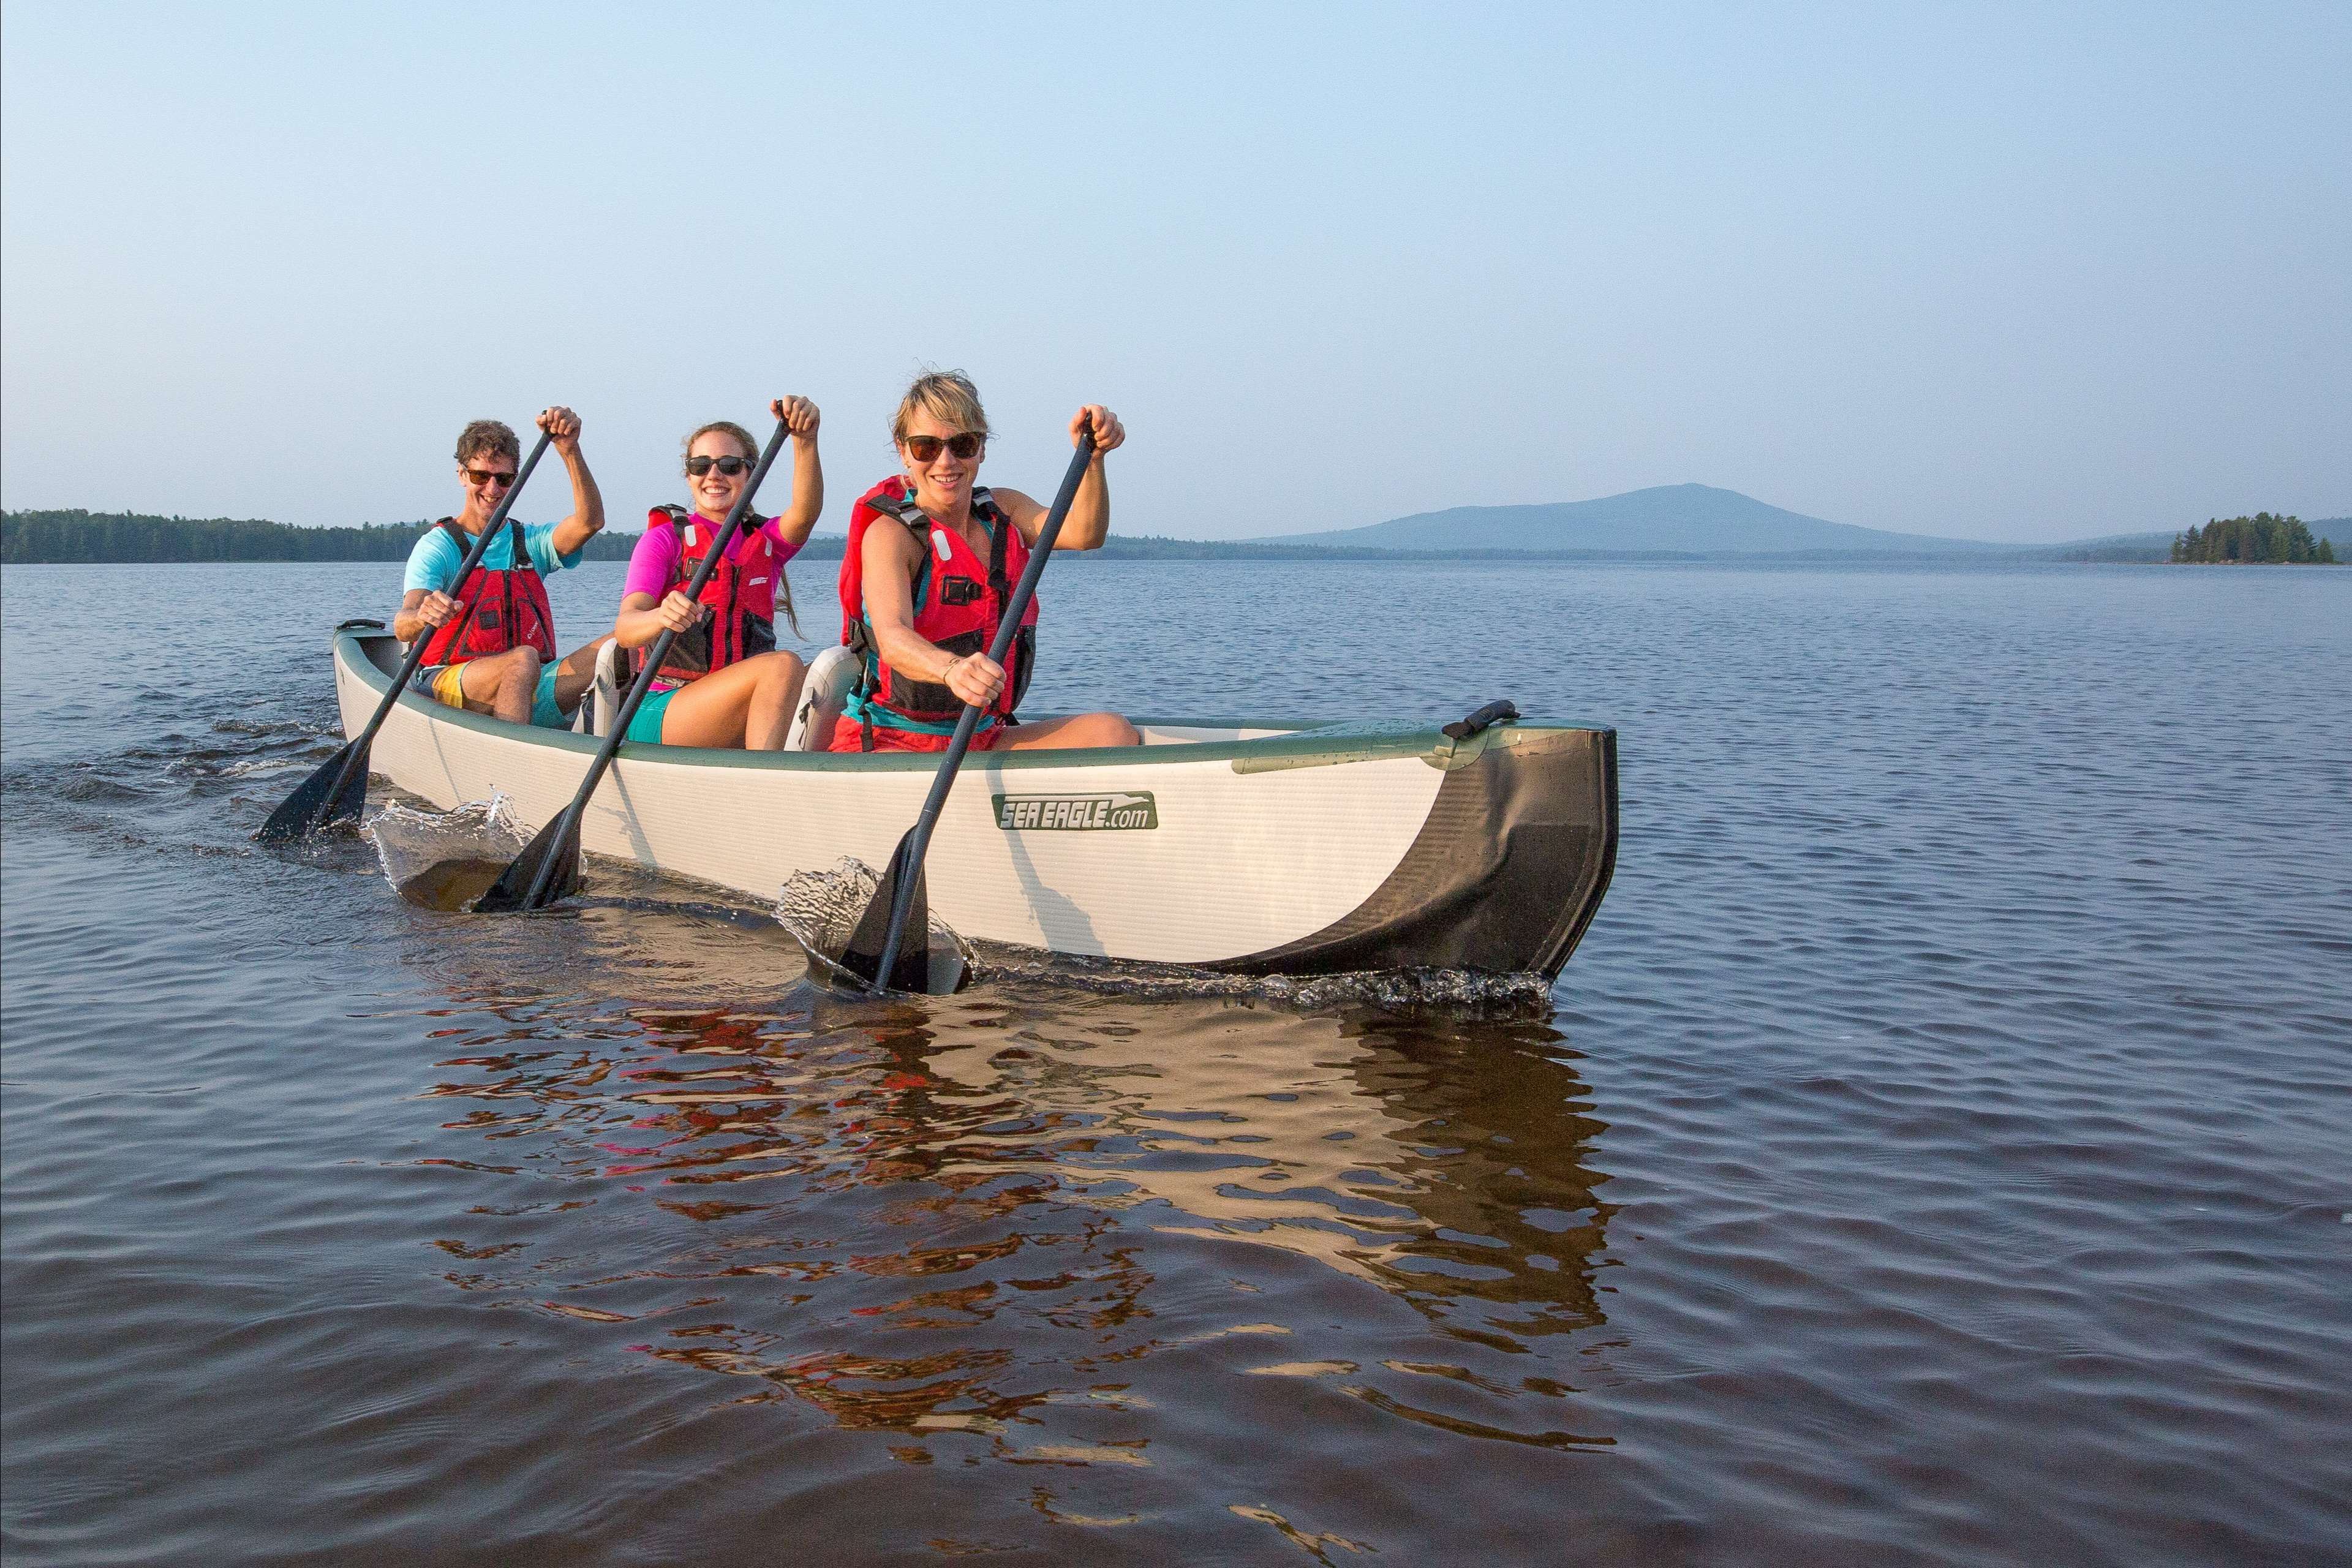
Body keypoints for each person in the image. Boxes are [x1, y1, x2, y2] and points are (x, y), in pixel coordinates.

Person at [833, 371, 1140, 753]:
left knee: (1114, 733)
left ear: (981, 448)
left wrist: (1093, 458)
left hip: (980, 734)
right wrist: (952, 670)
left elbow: (1084, 533)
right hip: (892, 737)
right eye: (926, 447)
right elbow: (894, 639)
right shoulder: (891, 535)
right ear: (903, 450)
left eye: (962, 444)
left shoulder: (1005, 510)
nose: (946, 462)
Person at [611, 398, 821, 748]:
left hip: (727, 706)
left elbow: (806, 511)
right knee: (782, 666)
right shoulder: (664, 540)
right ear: (689, 474)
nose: (714, 475)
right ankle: (764, 786)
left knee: (823, 677)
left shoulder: (767, 540)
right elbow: (626, 629)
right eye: (700, 465)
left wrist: (805, 441)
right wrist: (662, 615)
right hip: (662, 708)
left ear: (750, 473)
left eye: (729, 465)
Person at [395, 409, 609, 728]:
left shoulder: (530, 542)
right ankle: (513, 757)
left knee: (622, 645)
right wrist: (423, 616)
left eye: (504, 479)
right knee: (522, 660)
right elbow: (403, 624)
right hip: (448, 682)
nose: (492, 489)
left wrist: (569, 450)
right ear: (462, 475)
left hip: (528, 682)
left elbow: (589, 523)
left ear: (516, 481)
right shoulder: (438, 546)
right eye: (481, 476)